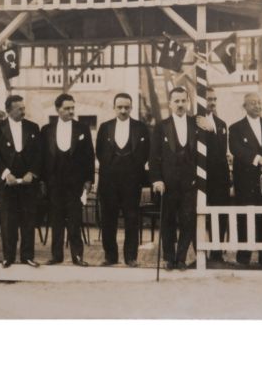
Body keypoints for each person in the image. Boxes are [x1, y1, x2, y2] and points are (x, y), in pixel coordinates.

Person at [96, 92, 149, 267]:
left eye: (127, 107)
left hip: (132, 181)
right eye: (119, 107)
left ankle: (130, 257)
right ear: (114, 107)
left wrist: (133, 168)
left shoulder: (141, 128)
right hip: (109, 181)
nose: (123, 110)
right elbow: (99, 152)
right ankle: (110, 256)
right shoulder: (105, 127)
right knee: (108, 220)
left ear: (131, 107)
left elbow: (145, 152)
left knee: (131, 219)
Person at [41, 93, 94, 266]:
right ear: (58, 109)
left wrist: (89, 180)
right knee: (56, 220)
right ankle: (56, 256)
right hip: (54, 183)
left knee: (74, 221)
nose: (71, 111)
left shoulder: (82, 129)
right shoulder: (46, 130)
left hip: (75, 184)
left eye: (72, 108)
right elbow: (42, 158)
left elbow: (89, 156)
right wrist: (43, 181)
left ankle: (77, 256)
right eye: (67, 108)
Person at [0, 95, 42, 268]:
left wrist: (32, 173)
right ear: (8, 110)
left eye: (23, 108)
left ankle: (27, 256)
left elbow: (39, 154)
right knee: (7, 221)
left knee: (28, 220)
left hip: (28, 182)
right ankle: (8, 257)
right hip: (7, 183)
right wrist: (6, 173)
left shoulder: (33, 127)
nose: (23, 111)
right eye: (19, 109)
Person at [229, 93, 262, 266]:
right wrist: (259, 160)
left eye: (259, 103)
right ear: (244, 106)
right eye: (252, 103)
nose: (257, 106)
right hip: (246, 181)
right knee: (245, 217)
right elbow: (236, 149)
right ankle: (243, 258)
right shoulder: (236, 128)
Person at [150, 87, 198, 271]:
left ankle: (181, 258)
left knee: (188, 221)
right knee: (167, 221)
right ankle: (169, 258)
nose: (180, 104)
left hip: (190, 183)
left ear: (188, 103)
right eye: (176, 101)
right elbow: (154, 156)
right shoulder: (161, 126)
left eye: (183, 101)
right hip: (167, 183)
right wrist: (157, 179)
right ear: (170, 104)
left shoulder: (196, 124)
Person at [196, 88, 230, 262]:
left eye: (215, 99)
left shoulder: (221, 123)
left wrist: (211, 131)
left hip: (219, 177)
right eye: (209, 99)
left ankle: (216, 254)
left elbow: (221, 151)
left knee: (219, 214)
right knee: (198, 214)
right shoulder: (192, 122)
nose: (213, 102)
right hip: (200, 175)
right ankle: (199, 254)